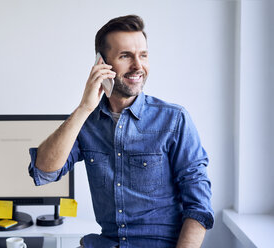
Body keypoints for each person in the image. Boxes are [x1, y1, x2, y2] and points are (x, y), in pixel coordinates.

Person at [28, 15, 214, 248]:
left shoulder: (174, 120)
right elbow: (43, 172)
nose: (138, 66)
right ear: (101, 64)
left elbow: (199, 207)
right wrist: (84, 107)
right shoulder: (87, 121)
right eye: (125, 56)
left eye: (143, 55)